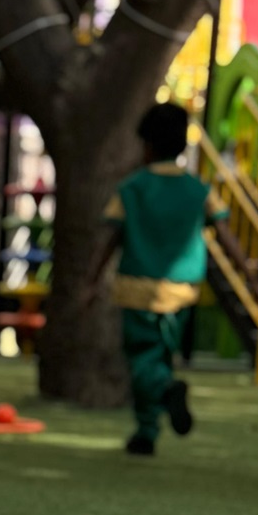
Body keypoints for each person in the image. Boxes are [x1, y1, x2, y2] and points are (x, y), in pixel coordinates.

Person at [95, 102, 229, 457]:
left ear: (148, 145)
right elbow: (224, 231)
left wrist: (93, 276)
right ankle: (147, 431)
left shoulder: (132, 188)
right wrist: (248, 273)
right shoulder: (198, 189)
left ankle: (163, 395)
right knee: (161, 356)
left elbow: (112, 237)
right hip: (183, 289)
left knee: (142, 359)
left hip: (137, 287)